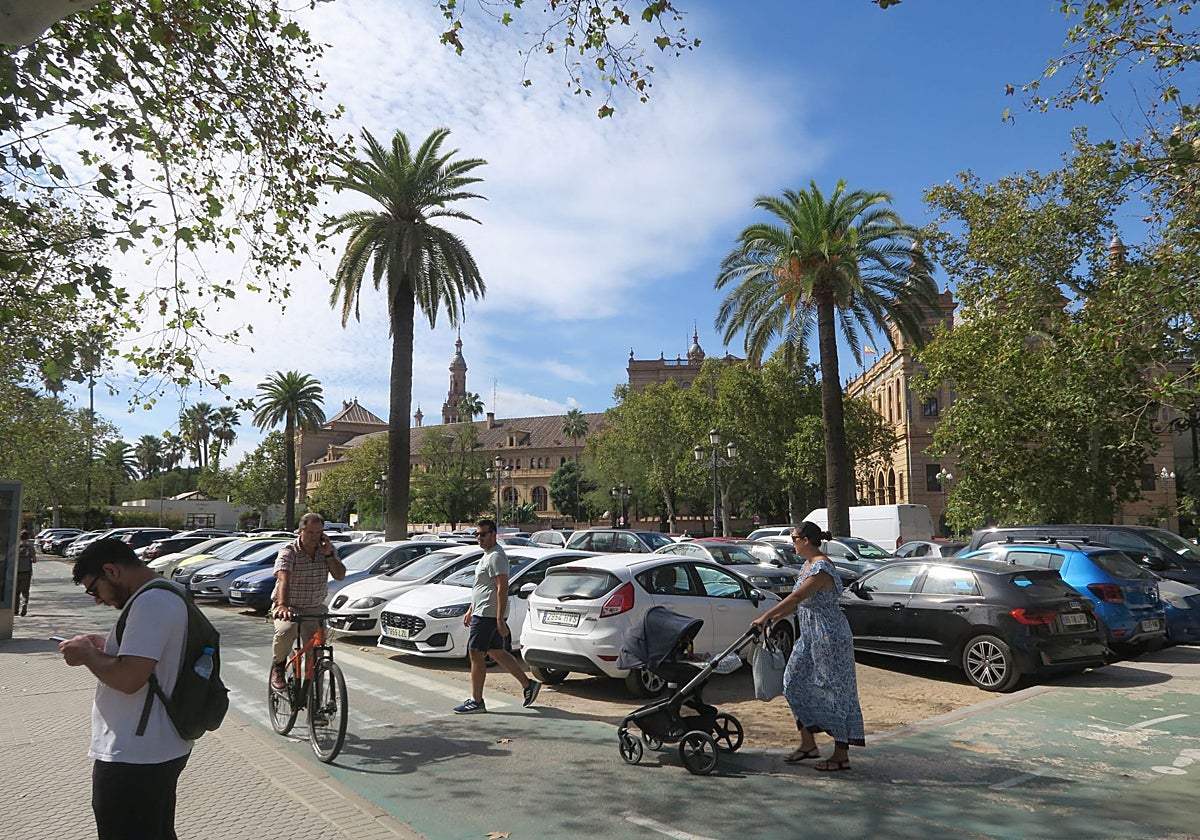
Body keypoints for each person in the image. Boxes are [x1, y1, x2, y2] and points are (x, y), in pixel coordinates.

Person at [59, 538, 193, 839]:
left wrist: (87, 655)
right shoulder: (169, 592)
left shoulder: (151, 602)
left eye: (94, 588)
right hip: (157, 746)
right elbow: (156, 660)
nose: (96, 598)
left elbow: (129, 679)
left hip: (134, 753)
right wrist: (107, 647)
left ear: (111, 570)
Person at [751, 520, 865, 772]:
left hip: (829, 635)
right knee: (792, 683)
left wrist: (765, 615)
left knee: (835, 690)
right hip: (810, 634)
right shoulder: (808, 565)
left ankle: (840, 754)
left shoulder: (821, 568)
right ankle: (808, 744)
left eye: (793, 538)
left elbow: (798, 596)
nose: (792, 543)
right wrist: (773, 619)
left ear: (805, 539)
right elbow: (799, 603)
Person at [453, 518, 540, 714]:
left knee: (475, 653)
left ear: (493, 534)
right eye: (477, 534)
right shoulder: (488, 555)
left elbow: (502, 588)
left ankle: (476, 701)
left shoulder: (496, 557)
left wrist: (500, 619)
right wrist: (470, 609)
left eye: (483, 534)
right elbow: (482, 587)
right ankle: (528, 685)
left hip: (488, 614)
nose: (479, 538)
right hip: (481, 611)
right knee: (496, 652)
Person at [270, 512, 347, 690]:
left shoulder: (327, 549)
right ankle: (279, 667)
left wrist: (329, 555)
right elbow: (283, 578)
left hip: (314, 607)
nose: (314, 537)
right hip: (289, 606)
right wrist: (282, 605)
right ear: (300, 531)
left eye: (318, 532)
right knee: (286, 631)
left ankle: (316, 703)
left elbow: (340, 575)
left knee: (317, 656)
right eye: (310, 532)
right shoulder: (289, 551)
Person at [16, 528, 35, 615]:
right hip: (26, 571)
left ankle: (15, 609)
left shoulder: (16, 547)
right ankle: (24, 604)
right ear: (27, 538)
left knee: (16, 591)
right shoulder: (30, 547)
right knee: (25, 591)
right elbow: (34, 560)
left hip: (16, 571)